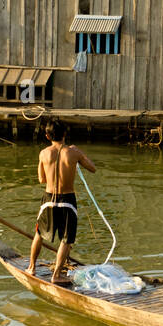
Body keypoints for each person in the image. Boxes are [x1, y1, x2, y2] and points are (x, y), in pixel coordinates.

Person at [27, 117, 96, 282]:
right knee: (67, 239)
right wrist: (78, 157)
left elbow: (41, 179)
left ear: (47, 136)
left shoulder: (43, 153)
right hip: (67, 200)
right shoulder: (74, 152)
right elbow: (93, 168)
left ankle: (31, 268)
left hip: (48, 199)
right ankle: (56, 275)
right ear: (65, 133)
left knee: (39, 233)